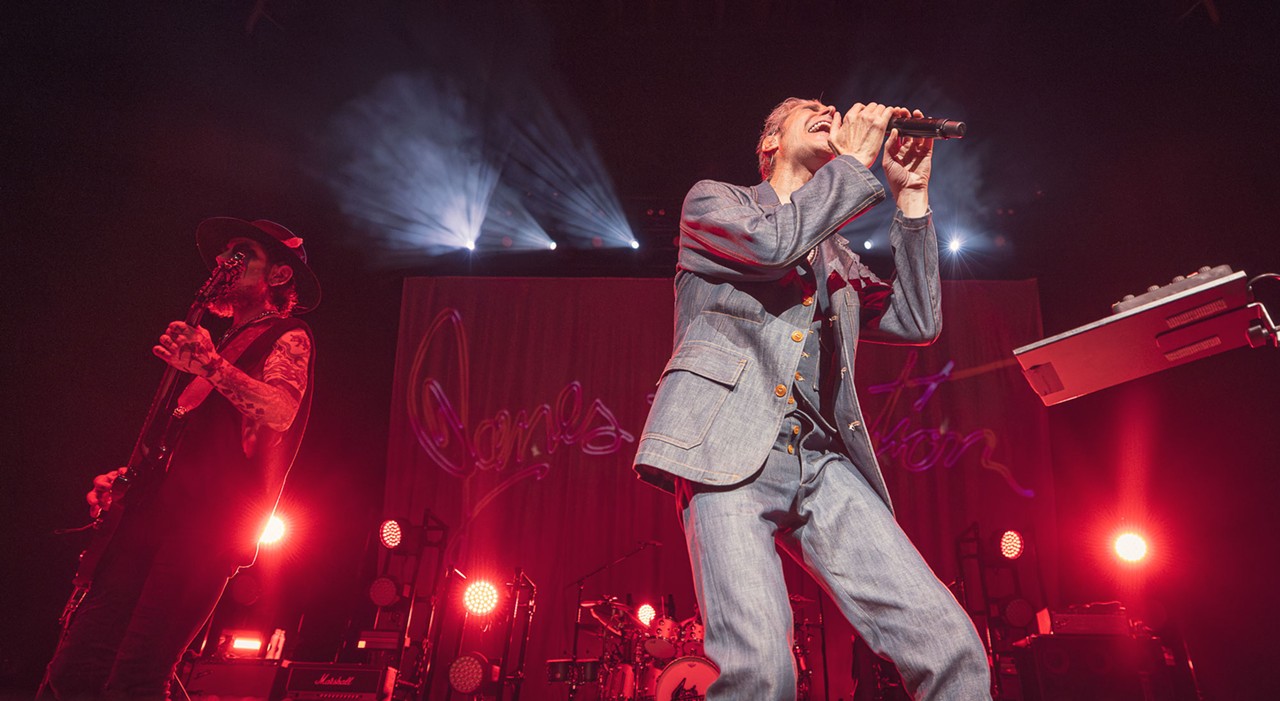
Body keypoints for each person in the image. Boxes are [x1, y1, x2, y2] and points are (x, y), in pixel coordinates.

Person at [633, 98, 991, 700]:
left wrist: (910, 197)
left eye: (829, 107)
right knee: (761, 674)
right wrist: (853, 162)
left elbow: (916, 319)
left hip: (821, 463)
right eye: (810, 110)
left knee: (950, 645)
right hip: (723, 444)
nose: (829, 108)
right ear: (769, 143)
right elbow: (772, 248)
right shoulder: (714, 203)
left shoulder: (837, 257)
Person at [39, 218, 320, 700]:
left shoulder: (289, 335)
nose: (224, 263)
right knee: (75, 668)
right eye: (223, 255)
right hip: (151, 515)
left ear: (278, 276)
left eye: (242, 254)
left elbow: (280, 411)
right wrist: (130, 478)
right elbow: (187, 431)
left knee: (138, 675)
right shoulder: (221, 339)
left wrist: (210, 365)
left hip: (207, 525)